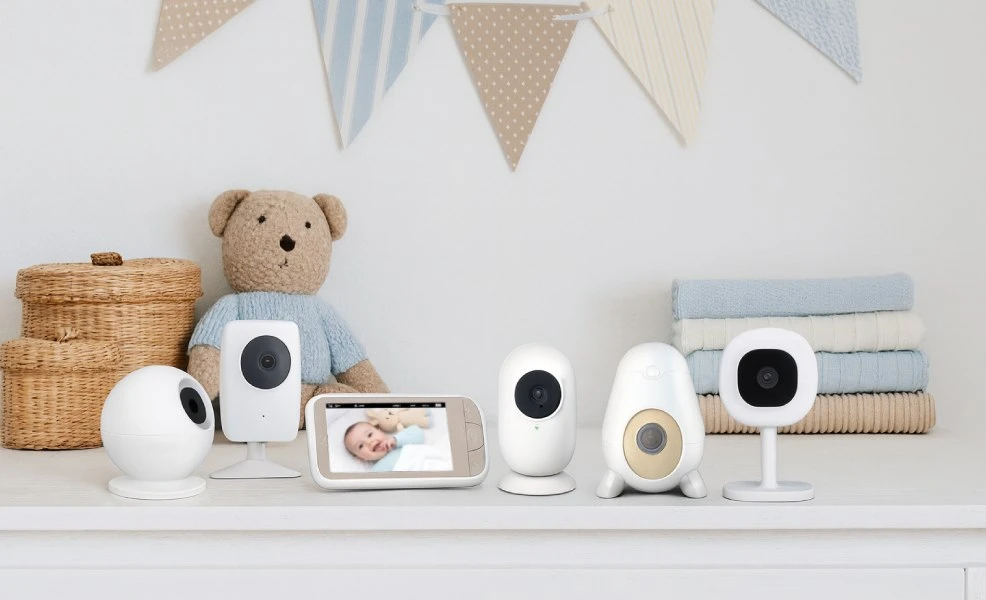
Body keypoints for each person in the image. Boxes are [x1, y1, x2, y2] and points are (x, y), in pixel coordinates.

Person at [343, 421, 424, 472]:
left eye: (370, 435)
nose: (369, 442)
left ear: (380, 431)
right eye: (361, 446)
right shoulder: (376, 471)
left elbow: (419, 433)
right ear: (361, 458)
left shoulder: (402, 439)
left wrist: (396, 440)